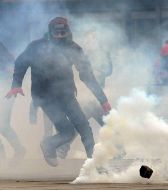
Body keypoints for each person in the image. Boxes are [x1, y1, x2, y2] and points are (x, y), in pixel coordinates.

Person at [6, 17, 111, 167]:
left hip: (67, 95)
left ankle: (95, 167)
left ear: (68, 32)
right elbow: (21, 62)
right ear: (50, 32)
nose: (60, 36)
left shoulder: (74, 49)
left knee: (84, 128)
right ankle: (49, 145)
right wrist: (16, 84)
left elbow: (87, 76)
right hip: (45, 98)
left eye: (63, 32)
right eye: (57, 32)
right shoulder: (37, 46)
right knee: (66, 131)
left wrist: (103, 100)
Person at [0, 41, 26, 162]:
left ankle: (17, 150)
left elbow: (12, 65)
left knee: (3, 125)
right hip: (6, 88)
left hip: (5, 90)